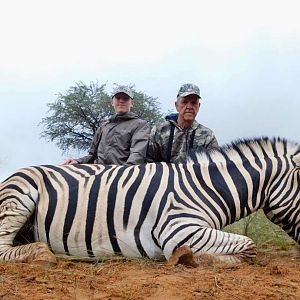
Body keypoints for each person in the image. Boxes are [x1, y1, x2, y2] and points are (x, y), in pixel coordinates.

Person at [64, 85, 150, 166]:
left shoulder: (140, 125)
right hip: (98, 171)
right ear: (112, 102)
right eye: (118, 98)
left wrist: (125, 173)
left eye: (125, 98)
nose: (121, 101)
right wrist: (78, 161)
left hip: (122, 173)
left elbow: (137, 154)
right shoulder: (104, 126)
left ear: (132, 103)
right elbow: (92, 155)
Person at [147, 83, 218, 163]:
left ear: (199, 106)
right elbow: (149, 163)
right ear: (176, 105)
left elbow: (214, 166)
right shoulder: (159, 130)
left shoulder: (208, 135)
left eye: (194, 103)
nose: (189, 107)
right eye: (184, 102)